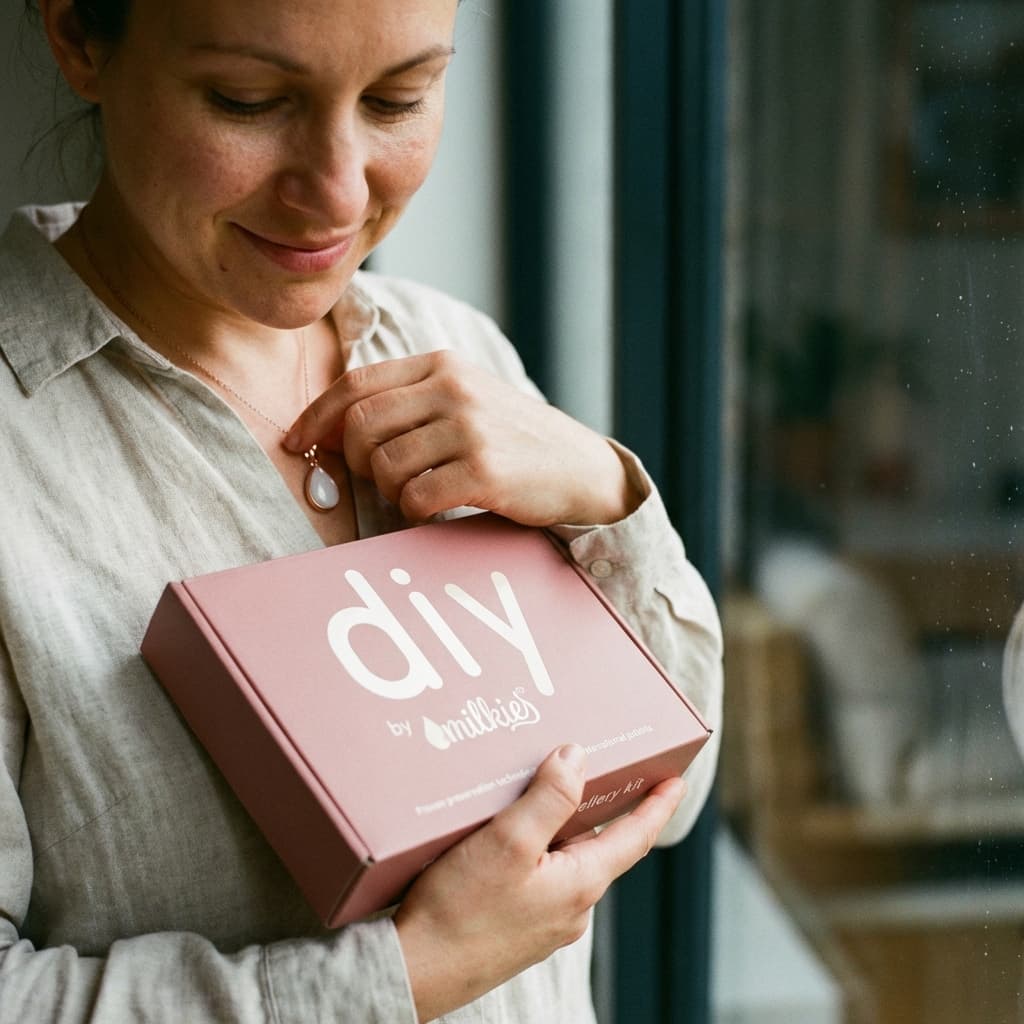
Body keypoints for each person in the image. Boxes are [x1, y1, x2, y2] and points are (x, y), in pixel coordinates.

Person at [0, 0, 723, 1020]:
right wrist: (403, 976)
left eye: (399, 97)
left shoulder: (460, 351)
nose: (336, 193)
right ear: (77, 34)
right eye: (247, 101)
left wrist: (603, 491)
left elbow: (674, 793)